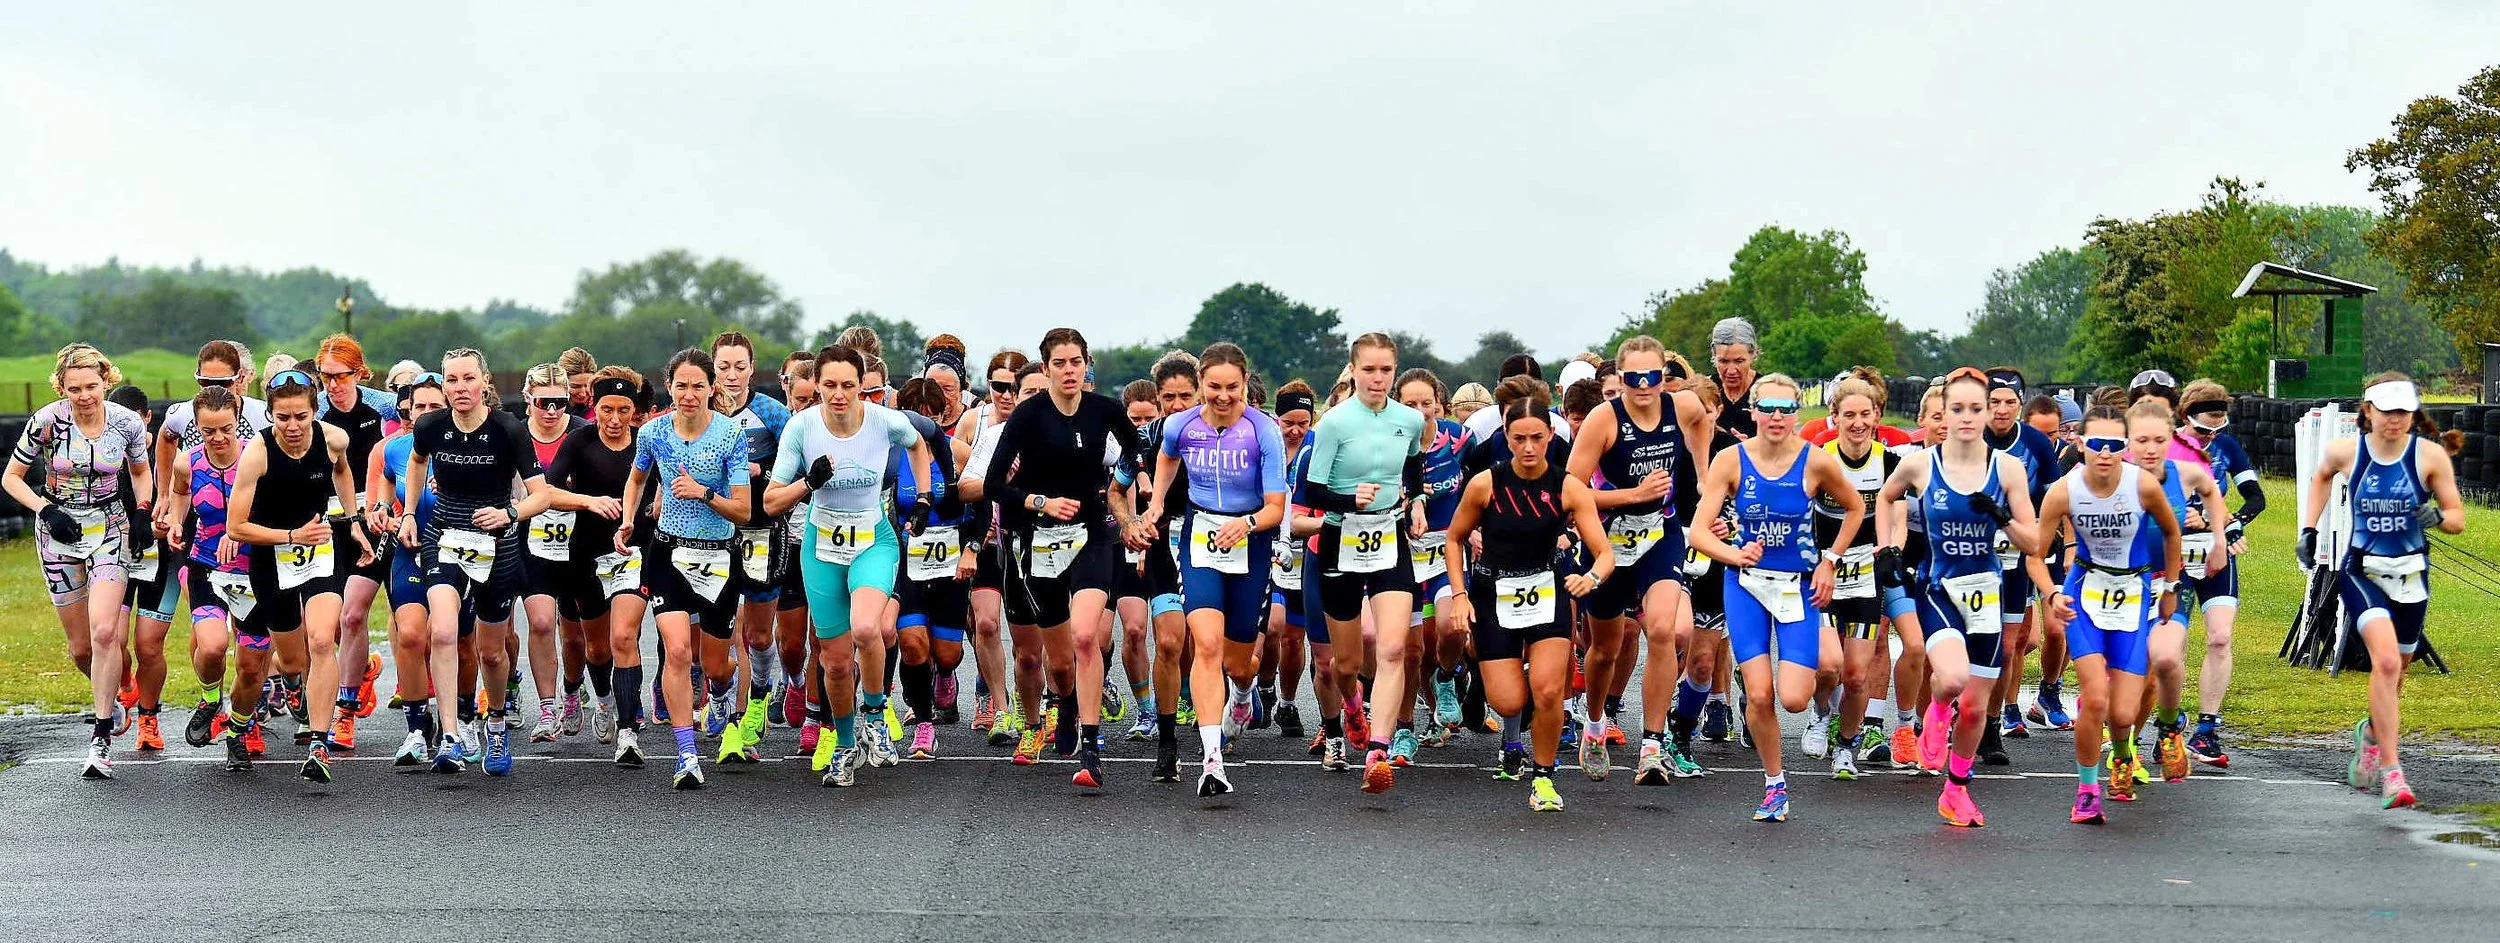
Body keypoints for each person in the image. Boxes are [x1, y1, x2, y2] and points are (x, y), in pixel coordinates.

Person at [1874, 367, 2060, 828]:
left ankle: (1956, 790)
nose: (1967, 418)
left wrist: (2000, 515)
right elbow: (1885, 496)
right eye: (1957, 409)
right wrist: (1885, 548)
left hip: (1988, 595)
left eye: (1976, 409)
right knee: (1953, 680)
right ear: (1943, 412)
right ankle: (1937, 709)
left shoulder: (2008, 468)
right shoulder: (1921, 463)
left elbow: (2034, 542)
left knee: (1977, 706)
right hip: (1938, 591)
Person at [1685, 374, 1864, 821]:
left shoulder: (1815, 462)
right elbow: (1702, 530)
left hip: (1797, 587)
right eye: (1768, 407)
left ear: (1798, 413)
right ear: (1754, 412)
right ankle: (1774, 785)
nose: (1777, 417)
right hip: (1745, 586)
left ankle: (1823, 706)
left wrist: (1830, 561)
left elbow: (1856, 507)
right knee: (1762, 697)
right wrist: (1735, 553)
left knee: (1793, 699)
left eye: (1786, 408)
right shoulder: (1730, 461)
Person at [980, 328, 1151, 789]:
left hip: (1094, 533)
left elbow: (1137, 448)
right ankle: (1068, 702)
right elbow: (995, 485)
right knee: (1058, 662)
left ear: (1086, 364)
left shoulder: (1104, 410)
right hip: (1040, 540)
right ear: (1046, 367)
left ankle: (1092, 751)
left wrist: (1118, 480)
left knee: (1084, 636)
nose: (1070, 370)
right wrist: (1040, 502)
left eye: (1076, 362)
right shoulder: (1029, 416)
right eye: (1060, 363)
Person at [764, 344, 937, 784]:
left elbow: (920, 445)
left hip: (873, 539)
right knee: (836, 662)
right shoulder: (801, 428)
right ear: (817, 386)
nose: (838, 395)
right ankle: (843, 743)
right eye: (829, 386)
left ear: (863, 386)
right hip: (821, 544)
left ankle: (876, 716)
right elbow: (770, 502)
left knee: (867, 628)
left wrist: (923, 496)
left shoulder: (883, 421)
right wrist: (808, 482)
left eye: (848, 385)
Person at [1443, 392, 1614, 811]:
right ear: (1506, 436)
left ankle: (1544, 777)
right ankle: (1485, 674)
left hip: (1547, 592)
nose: (1529, 447)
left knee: (1549, 690)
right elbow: (1454, 538)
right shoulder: (1485, 484)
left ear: (1550, 435)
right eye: (1518, 438)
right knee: (1508, 701)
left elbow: (1604, 551)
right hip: (1492, 594)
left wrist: (1589, 577)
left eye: (1537, 437)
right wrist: (1461, 595)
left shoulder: (1568, 487)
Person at [2302, 373, 2464, 810]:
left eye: (2403, 412)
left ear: (2413, 414)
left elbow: (2457, 517)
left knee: (2398, 674)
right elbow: (2320, 478)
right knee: (2386, 661)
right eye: (2386, 411)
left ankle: (2371, 733)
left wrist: (2434, 517)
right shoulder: (2346, 451)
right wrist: (2309, 529)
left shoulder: (2429, 456)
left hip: (2411, 575)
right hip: (2363, 572)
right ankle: (2393, 773)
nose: (2395, 421)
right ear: (2368, 411)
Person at [1564, 335, 1715, 786]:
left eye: (1653, 377)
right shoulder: (1603, 420)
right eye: (1633, 378)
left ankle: (1653, 742)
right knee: (1606, 649)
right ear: (1621, 378)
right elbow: (1571, 490)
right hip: (1609, 539)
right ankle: (1594, 724)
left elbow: (1701, 424)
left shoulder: (1681, 406)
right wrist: (1633, 494)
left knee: (1665, 629)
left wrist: (1703, 473)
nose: (1644, 386)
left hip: (1659, 533)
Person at [403, 348, 559, 776]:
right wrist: (409, 514)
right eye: (451, 380)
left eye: (467, 379)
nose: (459, 389)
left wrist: (509, 513)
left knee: (491, 652)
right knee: (444, 630)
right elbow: (417, 462)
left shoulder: (507, 429)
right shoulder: (431, 425)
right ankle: (451, 734)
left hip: (496, 541)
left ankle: (494, 723)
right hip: (443, 533)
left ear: (484, 382)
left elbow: (541, 495)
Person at [1142, 343, 1288, 796]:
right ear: (1201, 383)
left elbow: (1276, 508)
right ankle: (1212, 760)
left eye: (1233, 388)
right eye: (1213, 387)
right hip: (1200, 536)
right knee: (1204, 644)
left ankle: (1243, 696)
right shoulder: (1181, 424)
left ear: (1245, 384)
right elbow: (1167, 455)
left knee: (1238, 662)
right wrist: (1157, 502)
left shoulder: (1263, 430)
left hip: (1251, 539)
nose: (1222, 397)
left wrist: (1244, 525)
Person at [4, 344, 154, 778]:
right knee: (82, 648)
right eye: (74, 389)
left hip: (110, 525)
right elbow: (10, 478)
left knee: (106, 629)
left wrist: (142, 512)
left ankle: (101, 735)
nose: (84, 396)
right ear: (61, 387)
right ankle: (118, 689)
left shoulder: (125, 422)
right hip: (59, 528)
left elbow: (141, 472)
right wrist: (44, 509)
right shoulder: (47, 422)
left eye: (91, 386)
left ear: (106, 380)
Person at [223, 369, 372, 783]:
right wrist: (291, 535)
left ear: (314, 412)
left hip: (320, 549)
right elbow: (237, 528)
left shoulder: (333, 439)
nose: (292, 426)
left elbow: (342, 470)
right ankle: (241, 721)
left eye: (301, 417)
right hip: (271, 557)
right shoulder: (258, 453)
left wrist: (351, 517)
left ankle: (319, 743)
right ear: (270, 415)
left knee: (323, 640)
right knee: (292, 658)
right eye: (283, 418)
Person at [2038, 404, 2183, 823]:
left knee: (2123, 714)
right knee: (2095, 701)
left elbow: (2172, 533)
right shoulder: (2063, 490)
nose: (2105, 454)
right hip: (2084, 594)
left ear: (2125, 447)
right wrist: (2050, 594)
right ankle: (2086, 791)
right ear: (2080, 442)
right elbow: (2036, 555)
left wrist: (2170, 588)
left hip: (2134, 597)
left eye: (2115, 445)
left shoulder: (2143, 486)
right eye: (2097, 444)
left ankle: (2122, 754)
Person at [616, 348, 753, 789]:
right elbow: (638, 477)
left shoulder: (731, 436)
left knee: (715, 664)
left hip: (718, 555)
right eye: (681, 385)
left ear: (712, 388)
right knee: (676, 651)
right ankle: (686, 753)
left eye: (698, 385)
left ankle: (719, 695)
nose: (689, 394)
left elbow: (745, 511)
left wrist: (702, 493)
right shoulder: (653, 433)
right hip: (668, 552)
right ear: (669, 388)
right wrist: (628, 518)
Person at [1301, 332, 1430, 794]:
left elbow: (1413, 465)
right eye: (1369, 370)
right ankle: (1353, 705)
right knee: (1346, 662)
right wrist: (1346, 498)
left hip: (1389, 536)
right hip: (1340, 538)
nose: (1378, 379)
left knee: (1394, 649)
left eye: (1386, 370)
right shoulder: (1335, 423)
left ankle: (1379, 749)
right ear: (1353, 370)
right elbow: (1312, 493)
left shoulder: (1410, 420)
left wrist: (1413, 500)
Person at [2119, 400, 2231, 785]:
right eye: (2142, 440)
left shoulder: (2184, 473)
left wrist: (2218, 539)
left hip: (2166, 583)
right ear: (2127, 440)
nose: (2151, 449)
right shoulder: (2109, 475)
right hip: (2116, 587)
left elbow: (2212, 491)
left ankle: (2168, 728)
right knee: (2132, 678)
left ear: (2172, 438)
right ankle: (2125, 753)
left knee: (2165, 659)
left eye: (2159, 440)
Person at [541, 368, 647, 761]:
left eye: (623, 410)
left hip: (632, 552)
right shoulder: (580, 439)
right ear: (594, 408)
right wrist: (588, 501)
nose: (615, 420)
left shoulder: (646, 442)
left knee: (623, 638)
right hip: (585, 553)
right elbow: (548, 491)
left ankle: (627, 730)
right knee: (596, 647)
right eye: (606, 410)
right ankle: (597, 694)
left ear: (635, 411)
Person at [1805, 374, 1900, 781]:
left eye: (1865, 414)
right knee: (1829, 667)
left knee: (1857, 674)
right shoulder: (1819, 457)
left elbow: (1897, 511)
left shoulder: (1889, 462)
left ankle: (1846, 747)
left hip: (1864, 571)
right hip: (1822, 570)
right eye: (1849, 415)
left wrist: (1890, 548)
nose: (1857, 422)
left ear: (1877, 416)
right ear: (1834, 417)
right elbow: (1800, 512)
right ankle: (1821, 713)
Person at [708, 333, 793, 764]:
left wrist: (761, 469)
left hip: (762, 531)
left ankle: (757, 696)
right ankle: (722, 700)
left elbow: (794, 457)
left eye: (740, 366)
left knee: (758, 633)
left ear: (752, 367)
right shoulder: (699, 411)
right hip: (710, 536)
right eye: (724, 367)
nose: (732, 376)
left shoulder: (771, 412)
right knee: (716, 636)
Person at [2170, 379, 2263, 767]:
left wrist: (2229, 522)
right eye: (2202, 430)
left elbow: (2256, 497)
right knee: (2171, 648)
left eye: (2216, 429)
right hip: (2171, 553)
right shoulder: (2165, 446)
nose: (2209, 438)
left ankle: (2207, 730)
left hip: (2215, 551)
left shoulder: (2226, 446)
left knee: (2220, 638)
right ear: (2186, 417)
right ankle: (2168, 723)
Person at [310, 335, 396, 752]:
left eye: (341, 377)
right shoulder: (317, 412)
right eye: (326, 377)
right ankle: (355, 682)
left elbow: (403, 456)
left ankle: (346, 713)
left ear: (359, 372)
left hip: (382, 516)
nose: (333, 385)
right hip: (336, 518)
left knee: (355, 615)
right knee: (342, 618)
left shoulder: (383, 407)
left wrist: (384, 507)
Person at [367, 376, 456, 766]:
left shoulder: (464, 447)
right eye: (417, 408)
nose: (424, 414)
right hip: (410, 552)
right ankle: (418, 729)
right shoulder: (396, 449)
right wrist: (387, 514)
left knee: (455, 640)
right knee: (411, 635)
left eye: (434, 407)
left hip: (456, 554)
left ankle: (463, 720)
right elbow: (384, 494)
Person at [1980, 368, 2062, 760]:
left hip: (2014, 557)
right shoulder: (1967, 436)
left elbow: (2054, 498)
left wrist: (2045, 542)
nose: (2000, 410)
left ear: (2020, 404)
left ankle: (1991, 724)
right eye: (1993, 402)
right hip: (1969, 556)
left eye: (2009, 402)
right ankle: (1957, 714)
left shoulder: (2035, 444)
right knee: (1964, 644)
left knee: (2008, 648)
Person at [167, 388, 252, 764]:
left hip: (255, 567)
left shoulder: (258, 456)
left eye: (225, 429)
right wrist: (175, 517)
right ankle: (210, 698)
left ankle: (237, 731)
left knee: (252, 665)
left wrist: (240, 533)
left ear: (238, 419)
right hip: (206, 562)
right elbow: (179, 490)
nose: (217, 438)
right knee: (214, 644)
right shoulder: (188, 462)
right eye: (207, 431)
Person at [893, 377, 976, 756]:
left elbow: (980, 503)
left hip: (950, 560)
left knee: (947, 654)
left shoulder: (957, 452)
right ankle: (923, 723)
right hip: (906, 563)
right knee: (912, 644)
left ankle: (945, 676)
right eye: (915, 418)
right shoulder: (891, 454)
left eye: (930, 418)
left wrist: (972, 549)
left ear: (942, 416)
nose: (922, 427)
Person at [1393, 367, 1470, 761]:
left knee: (1450, 627)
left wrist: (1476, 526)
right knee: (1407, 650)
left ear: (1440, 405)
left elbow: (1484, 481)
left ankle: (1445, 676)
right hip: (1403, 553)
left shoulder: (1459, 439)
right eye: (1410, 404)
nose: (1420, 411)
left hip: (1446, 551)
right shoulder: (1388, 444)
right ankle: (1404, 727)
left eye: (1427, 404)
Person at [515, 363, 591, 743]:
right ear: (528, 399)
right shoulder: (515, 435)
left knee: (576, 637)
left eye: (560, 403)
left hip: (579, 542)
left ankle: (572, 689)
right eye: (543, 402)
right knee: (542, 623)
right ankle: (547, 708)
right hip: (532, 541)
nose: (551, 411)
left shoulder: (582, 434)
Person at [108, 384, 178, 754]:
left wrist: (168, 527)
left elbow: (183, 504)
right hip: (117, 560)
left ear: (147, 419)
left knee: (148, 647)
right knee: (113, 639)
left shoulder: (165, 455)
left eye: (133, 424)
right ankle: (124, 686)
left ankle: (149, 718)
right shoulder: (104, 460)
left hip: (160, 564)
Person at [1261, 380, 1318, 742]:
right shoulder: (1265, 446)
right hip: (1268, 548)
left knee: (1294, 639)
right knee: (1272, 628)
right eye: (1288, 423)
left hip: (1304, 552)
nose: (1296, 430)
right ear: (1276, 419)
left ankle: (1287, 701)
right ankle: (1264, 686)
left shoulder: (1318, 449)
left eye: (1303, 422)